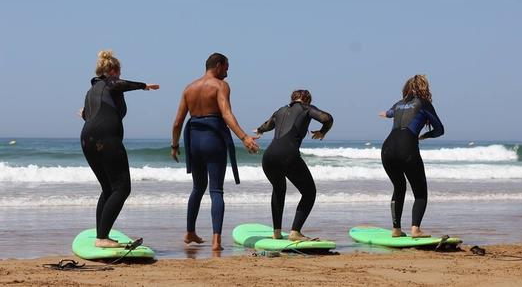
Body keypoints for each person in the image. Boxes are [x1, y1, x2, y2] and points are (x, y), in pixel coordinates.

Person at [171, 53, 259, 251]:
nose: (227, 72)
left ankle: (190, 231)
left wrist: (175, 146)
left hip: (194, 140)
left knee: (197, 188)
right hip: (213, 138)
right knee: (216, 190)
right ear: (218, 66)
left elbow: (177, 122)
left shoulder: (189, 88)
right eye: (226, 68)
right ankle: (216, 241)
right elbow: (226, 114)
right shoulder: (220, 86)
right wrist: (244, 137)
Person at [81, 50, 159, 248]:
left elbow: (88, 115)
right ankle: (102, 238)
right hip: (106, 138)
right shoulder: (110, 82)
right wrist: (143, 86)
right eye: (119, 72)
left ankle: (102, 235)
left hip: (87, 139)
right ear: (114, 71)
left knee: (108, 188)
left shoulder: (91, 92)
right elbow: (118, 84)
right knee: (122, 188)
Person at [255, 90, 333, 241]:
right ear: (306, 100)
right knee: (309, 192)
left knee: (278, 189)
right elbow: (327, 118)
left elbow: (268, 125)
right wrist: (323, 131)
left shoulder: (280, 110)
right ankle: (295, 232)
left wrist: (259, 130)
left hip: (269, 157)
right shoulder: (306, 108)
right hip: (288, 155)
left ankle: (276, 232)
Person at [378, 74, 444, 238]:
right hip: (407, 148)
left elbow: (388, 113)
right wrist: (425, 136)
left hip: (387, 149)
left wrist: (385, 114)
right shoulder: (424, 104)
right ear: (424, 88)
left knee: (399, 187)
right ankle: (416, 229)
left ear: (406, 88)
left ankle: (396, 229)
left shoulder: (399, 104)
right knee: (420, 193)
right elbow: (440, 130)